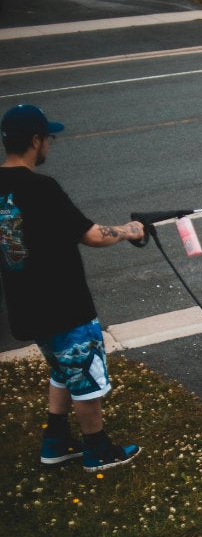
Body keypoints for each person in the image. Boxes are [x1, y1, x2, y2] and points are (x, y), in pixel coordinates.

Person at [0, 104, 145, 472]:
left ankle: (55, 442)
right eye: (48, 138)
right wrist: (129, 231)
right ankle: (97, 450)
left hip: (25, 304)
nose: (49, 144)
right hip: (64, 302)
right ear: (35, 140)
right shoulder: (41, 187)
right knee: (86, 377)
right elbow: (92, 235)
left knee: (62, 368)